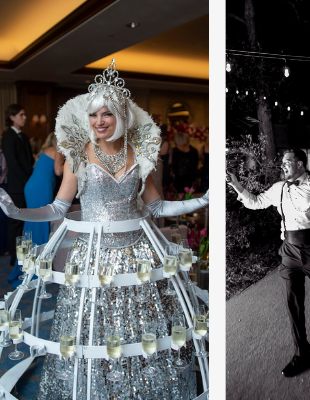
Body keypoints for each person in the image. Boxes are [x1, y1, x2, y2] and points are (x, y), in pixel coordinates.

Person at [0, 60, 209, 399]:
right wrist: (17, 211)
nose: (99, 121)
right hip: (93, 257)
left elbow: (157, 206)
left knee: (141, 330)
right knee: (93, 332)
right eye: (94, 114)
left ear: (120, 117)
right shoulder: (77, 155)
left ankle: (141, 388)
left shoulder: (139, 153)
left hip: (137, 255)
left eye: (107, 114)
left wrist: (203, 200)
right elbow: (57, 208)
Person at [227, 148, 310, 378]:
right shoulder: (279, 188)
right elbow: (256, 202)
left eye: (287, 162)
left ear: (300, 163)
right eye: (283, 163)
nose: (283, 166)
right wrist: (237, 185)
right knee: (293, 302)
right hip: (289, 251)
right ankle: (302, 353)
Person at [7, 132, 64, 289]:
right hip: (41, 188)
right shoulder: (58, 149)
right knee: (41, 221)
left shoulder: (46, 150)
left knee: (33, 224)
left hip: (32, 187)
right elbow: (59, 171)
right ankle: (40, 267)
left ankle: (31, 266)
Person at [2, 104, 33, 267]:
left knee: (27, 220)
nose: (25, 118)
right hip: (17, 187)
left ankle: (25, 253)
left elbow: (29, 162)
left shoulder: (24, 137)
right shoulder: (8, 137)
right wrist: (28, 181)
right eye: (21, 115)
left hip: (27, 185)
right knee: (16, 222)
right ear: (12, 117)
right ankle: (15, 257)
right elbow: (13, 164)